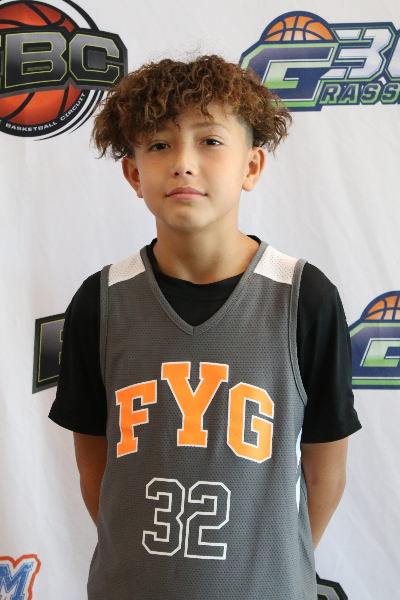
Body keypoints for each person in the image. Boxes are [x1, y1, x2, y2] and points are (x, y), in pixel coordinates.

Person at [48, 55, 361, 600]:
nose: (183, 163)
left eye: (210, 141)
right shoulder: (101, 301)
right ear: (133, 173)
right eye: (159, 145)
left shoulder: (304, 298)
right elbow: (93, 462)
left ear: (251, 167)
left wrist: (277, 565)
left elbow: (325, 470)